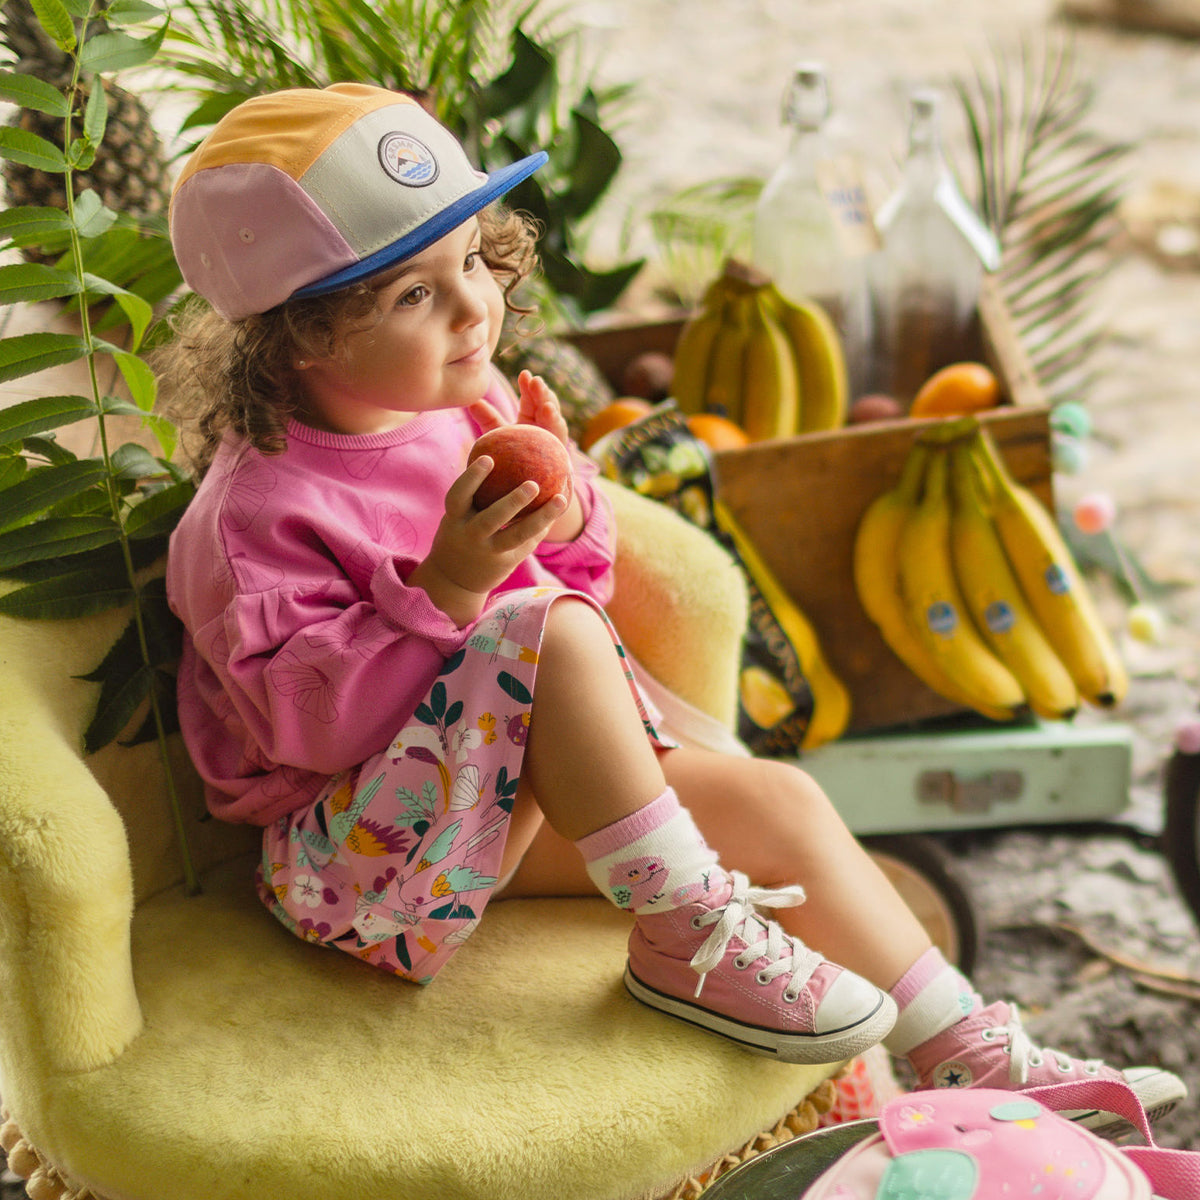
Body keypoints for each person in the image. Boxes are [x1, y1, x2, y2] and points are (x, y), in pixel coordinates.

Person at [161, 82, 1183, 1132]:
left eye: (472, 259)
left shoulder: (463, 407)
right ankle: (682, 933)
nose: (474, 307)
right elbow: (310, 728)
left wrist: (563, 520)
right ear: (298, 339)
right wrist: (455, 584)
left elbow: (584, 596)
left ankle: (976, 1061)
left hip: (481, 805)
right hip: (353, 862)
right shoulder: (255, 518)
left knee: (780, 802)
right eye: (414, 295)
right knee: (542, 628)